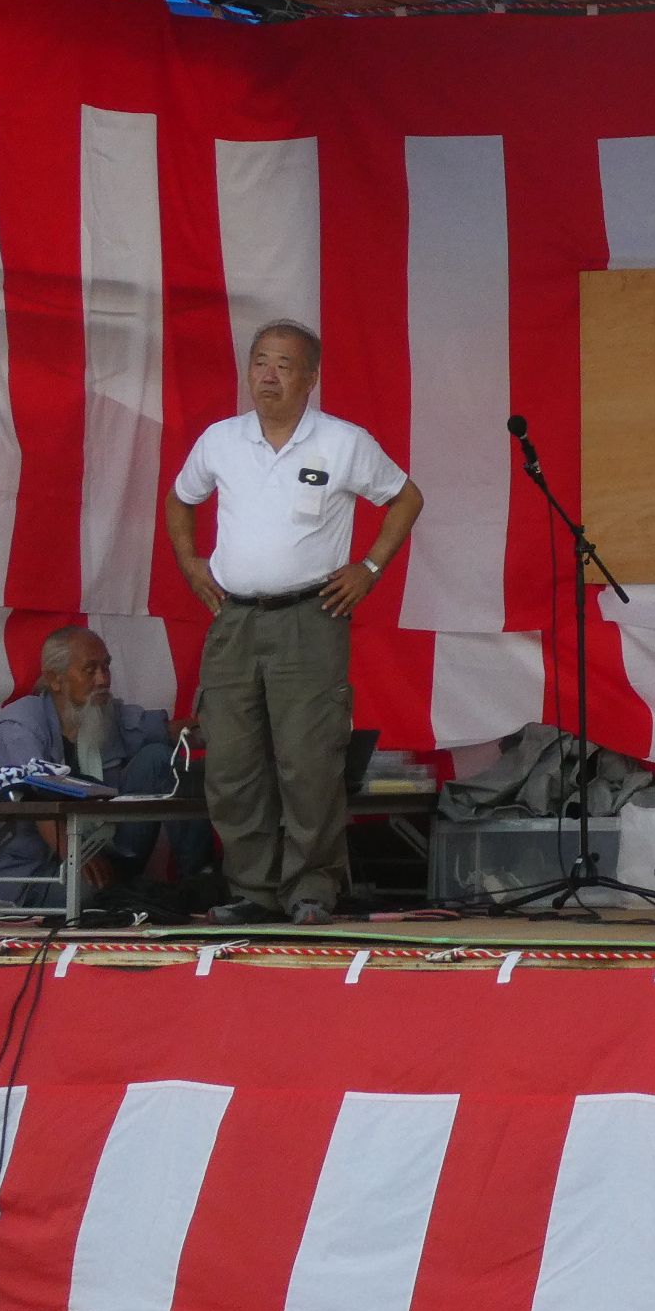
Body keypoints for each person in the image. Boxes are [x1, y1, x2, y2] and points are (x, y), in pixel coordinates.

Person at [165, 319, 423, 926]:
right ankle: (253, 890)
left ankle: (312, 887)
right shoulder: (221, 440)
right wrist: (188, 561)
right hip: (235, 618)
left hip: (310, 616)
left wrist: (369, 567)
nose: (269, 375)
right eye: (260, 362)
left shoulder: (342, 441)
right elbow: (181, 497)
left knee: (307, 761)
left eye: (284, 364)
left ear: (310, 378)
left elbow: (405, 497)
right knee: (231, 763)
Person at [0, 626, 205, 907]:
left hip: (108, 854)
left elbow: (171, 732)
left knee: (159, 756)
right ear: (55, 679)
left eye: (106, 667)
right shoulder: (21, 722)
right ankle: (130, 896)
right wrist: (77, 854)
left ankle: (200, 878)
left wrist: (230, 728)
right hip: (38, 872)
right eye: (90, 670)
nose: (103, 679)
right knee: (88, 894)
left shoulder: (109, 714)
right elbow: (34, 793)